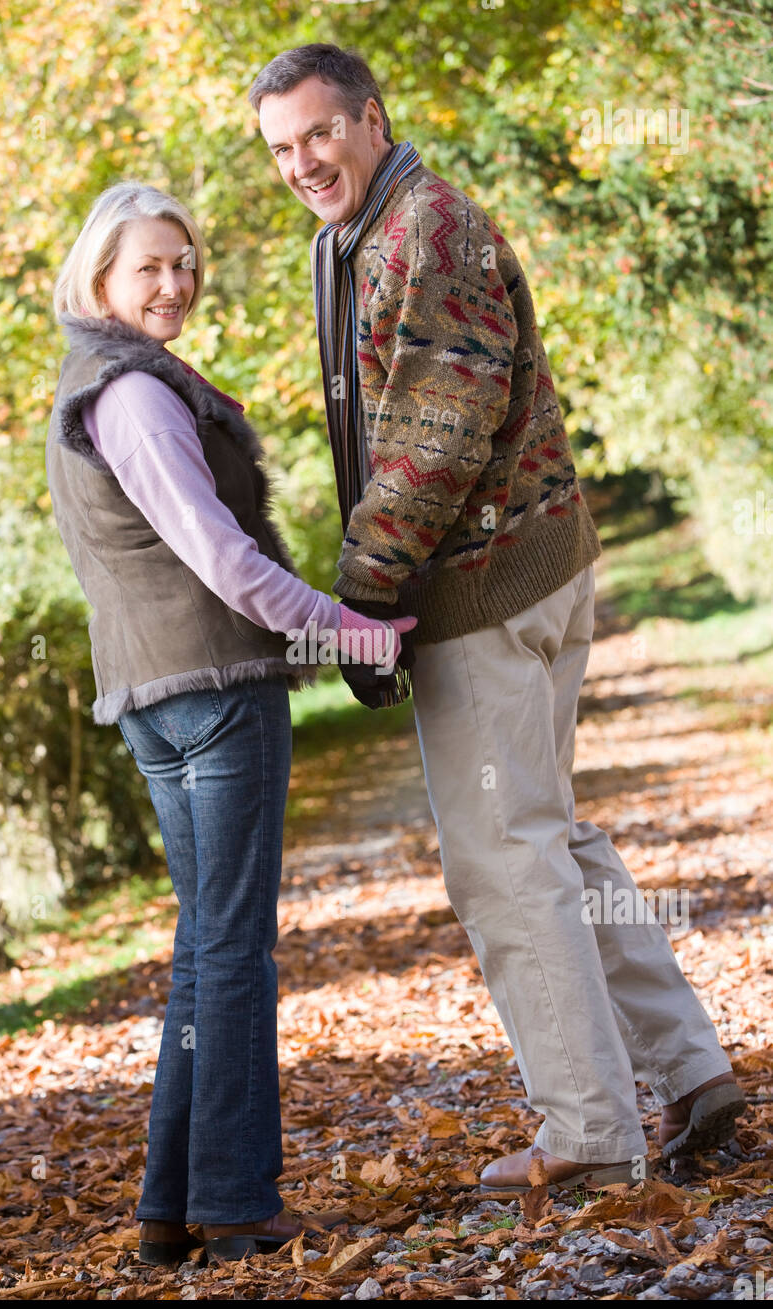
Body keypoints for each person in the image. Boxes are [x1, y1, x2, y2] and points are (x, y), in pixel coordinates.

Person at [248, 44, 746, 1194]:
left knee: (503, 862)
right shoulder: (365, 235)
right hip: (519, 571)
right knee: (548, 832)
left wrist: (364, 598)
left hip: (483, 592)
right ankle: (687, 1067)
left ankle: (585, 1135)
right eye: (280, 149)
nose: (302, 163)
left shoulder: (427, 231)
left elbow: (435, 429)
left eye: (319, 134)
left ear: (370, 118)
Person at [45, 180, 416, 1259]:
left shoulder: (97, 382)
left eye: (184, 260)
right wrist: (351, 633)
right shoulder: (136, 396)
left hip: (157, 697)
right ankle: (238, 1202)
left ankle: (172, 1208)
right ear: (100, 278)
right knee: (234, 951)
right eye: (149, 266)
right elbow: (225, 563)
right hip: (212, 695)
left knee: (206, 947)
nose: (174, 282)